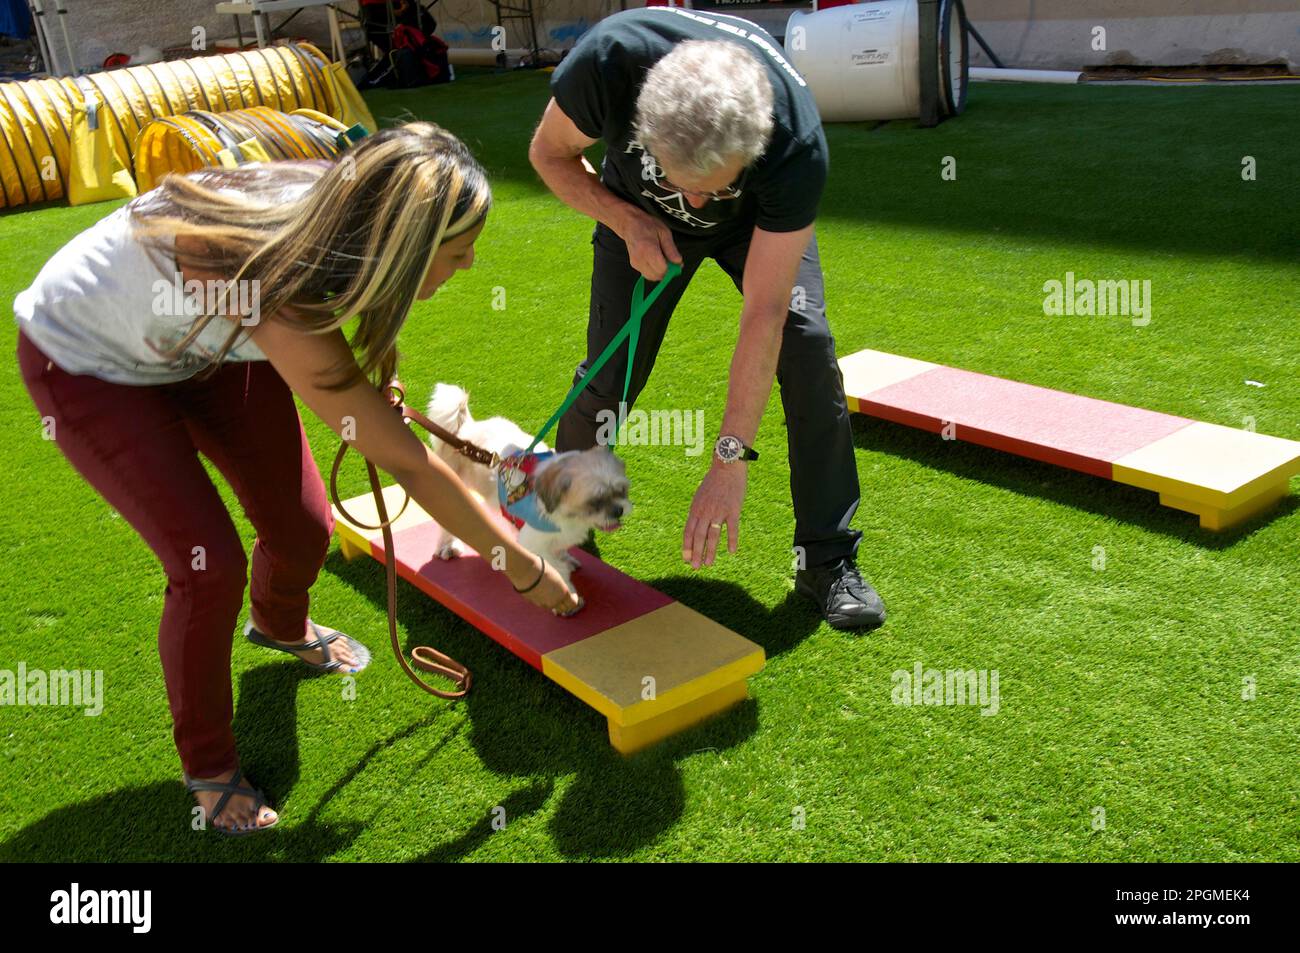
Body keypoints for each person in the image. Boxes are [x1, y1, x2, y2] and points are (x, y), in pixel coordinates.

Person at [14, 122, 579, 835]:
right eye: (459, 252)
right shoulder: (278, 281)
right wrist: (522, 567)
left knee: (304, 526)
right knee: (208, 566)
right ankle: (211, 767)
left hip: (211, 348)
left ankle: (278, 626)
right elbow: (405, 459)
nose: (468, 266)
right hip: (88, 362)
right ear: (406, 247)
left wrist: (377, 379)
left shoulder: (350, 217)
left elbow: (354, 310)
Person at [528, 7, 887, 631]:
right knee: (612, 368)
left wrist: (728, 461)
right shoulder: (607, 62)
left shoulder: (793, 148)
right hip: (633, 215)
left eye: (713, 186)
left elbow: (764, 313)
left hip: (756, 227)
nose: (693, 203)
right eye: (679, 180)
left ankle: (827, 559)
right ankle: (564, 523)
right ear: (643, 128)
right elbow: (549, 154)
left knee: (807, 347)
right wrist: (628, 219)